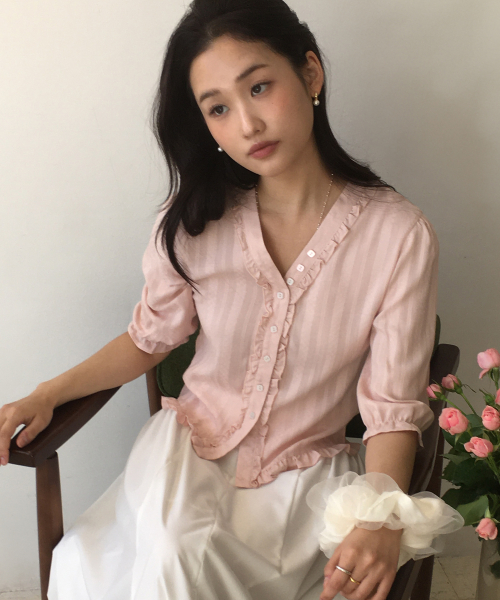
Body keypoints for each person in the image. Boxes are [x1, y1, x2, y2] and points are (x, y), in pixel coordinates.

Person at [0, 1, 462, 599]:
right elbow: (149, 339)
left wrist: (379, 516)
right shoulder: (196, 220)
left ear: (311, 73)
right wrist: (47, 393)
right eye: (218, 107)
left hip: (302, 484)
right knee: (172, 555)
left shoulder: (397, 236)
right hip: (187, 459)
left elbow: (392, 408)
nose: (247, 124)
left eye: (259, 87)